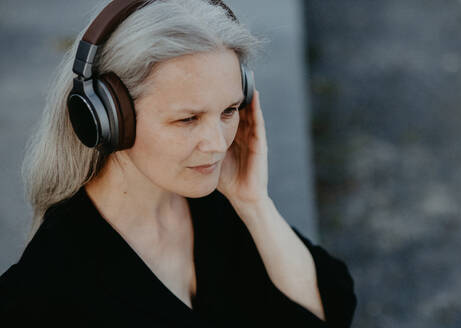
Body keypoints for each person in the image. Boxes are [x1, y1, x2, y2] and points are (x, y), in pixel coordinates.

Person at [0, 0, 356, 326]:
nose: (217, 144)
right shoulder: (45, 286)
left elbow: (332, 310)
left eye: (229, 111)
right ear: (109, 120)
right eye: (188, 119)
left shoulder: (217, 208)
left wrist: (255, 205)